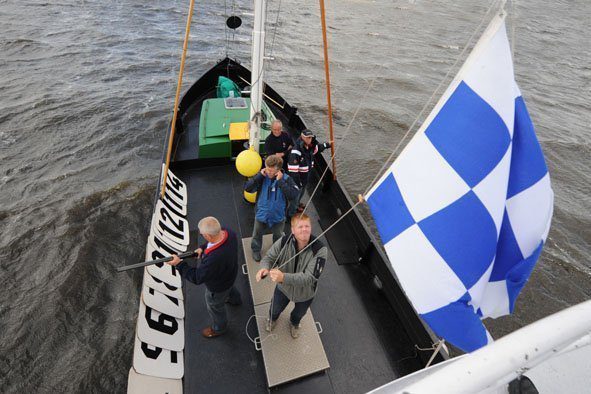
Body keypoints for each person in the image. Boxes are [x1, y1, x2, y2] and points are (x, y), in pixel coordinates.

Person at [167, 216, 242, 338]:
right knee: (229, 288)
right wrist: (202, 248)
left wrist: (179, 264)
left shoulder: (214, 259)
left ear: (208, 236)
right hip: (230, 274)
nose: (202, 236)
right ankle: (236, 300)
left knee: (215, 306)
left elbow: (197, 277)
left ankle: (219, 328)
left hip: (218, 286)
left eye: (202, 235)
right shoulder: (229, 233)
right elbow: (212, 243)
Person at [255, 213, 327, 339]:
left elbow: (310, 278)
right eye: (300, 227)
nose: (304, 229)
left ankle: (294, 324)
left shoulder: (320, 250)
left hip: (306, 294)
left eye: (307, 226)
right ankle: (272, 319)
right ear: (292, 230)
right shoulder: (283, 241)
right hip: (283, 289)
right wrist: (264, 268)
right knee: (275, 308)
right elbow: (270, 257)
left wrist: (283, 278)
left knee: (299, 314)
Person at [245, 155, 299, 262]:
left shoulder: (286, 179)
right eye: (267, 169)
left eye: (271, 171)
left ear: (278, 170)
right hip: (261, 214)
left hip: (278, 215)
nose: (268, 172)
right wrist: (259, 176)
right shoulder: (261, 177)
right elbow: (248, 188)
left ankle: (276, 252)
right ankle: (256, 250)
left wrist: (280, 182)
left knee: (278, 236)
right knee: (257, 234)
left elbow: (294, 195)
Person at [287, 129, 331, 214]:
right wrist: (298, 184)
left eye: (310, 138)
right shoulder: (296, 151)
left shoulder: (310, 147)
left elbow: (318, 148)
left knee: (301, 194)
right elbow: (293, 172)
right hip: (297, 182)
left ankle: (297, 205)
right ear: (302, 137)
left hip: (305, 179)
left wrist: (328, 144)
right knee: (295, 197)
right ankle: (291, 214)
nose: (309, 139)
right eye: (307, 138)